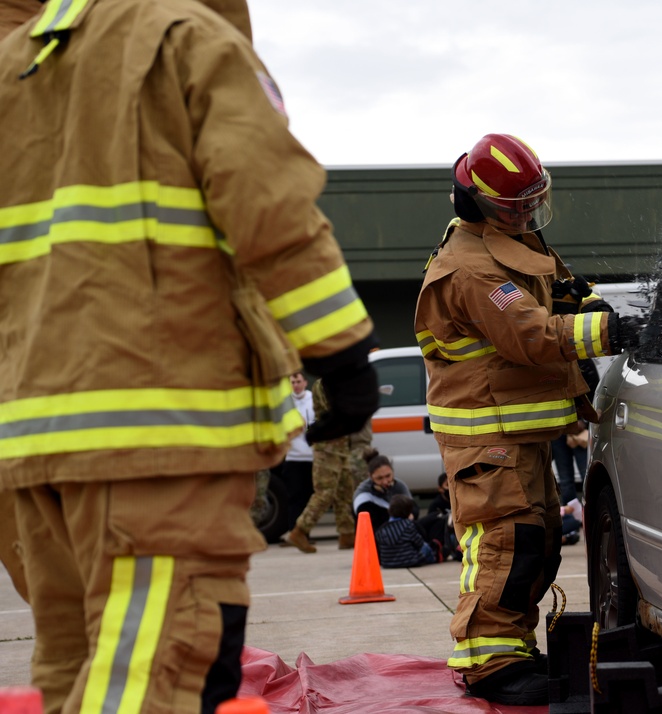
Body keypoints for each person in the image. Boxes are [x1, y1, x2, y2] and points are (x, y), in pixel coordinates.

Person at [0, 2, 380, 712]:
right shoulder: (188, 42)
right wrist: (343, 356)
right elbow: (273, 210)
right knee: (161, 670)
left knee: (70, 667)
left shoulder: (17, 62)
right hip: (157, 437)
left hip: (34, 446)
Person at [414, 133, 641, 705]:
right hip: (486, 438)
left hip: (519, 435)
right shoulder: (469, 270)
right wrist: (613, 330)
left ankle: (509, 647)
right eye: (515, 206)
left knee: (535, 545)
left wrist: (586, 303)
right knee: (505, 545)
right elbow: (532, 336)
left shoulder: (509, 241)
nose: (527, 214)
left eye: (532, 202)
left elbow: (556, 298)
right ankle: (487, 663)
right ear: (478, 201)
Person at [285, 379, 374, 553]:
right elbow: (334, 411)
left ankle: (347, 534)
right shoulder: (326, 382)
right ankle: (300, 531)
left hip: (340, 444)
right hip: (327, 445)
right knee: (325, 492)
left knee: (344, 490)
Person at [551, 357, 599, 505]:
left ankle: (581, 515)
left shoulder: (581, 361)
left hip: (571, 428)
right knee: (568, 478)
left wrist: (583, 422)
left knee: (583, 475)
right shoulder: (580, 361)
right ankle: (574, 517)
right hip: (561, 428)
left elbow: (594, 392)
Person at [281, 372, 316, 532]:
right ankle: (293, 531)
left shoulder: (313, 399)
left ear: (305, 382)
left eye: (298, 381)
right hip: (293, 456)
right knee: (294, 497)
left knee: (309, 497)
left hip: (311, 456)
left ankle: (304, 533)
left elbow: (313, 426)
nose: (295, 385)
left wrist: (303, 426)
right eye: (292, 382)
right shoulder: (286, 402)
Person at [353, 452, 416, 532]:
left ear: (393, 472)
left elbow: (413, 509)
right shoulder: (363, 495)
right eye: (379, 478)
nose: (385, 482)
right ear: (370, 477)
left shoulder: (399, 485)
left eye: (388, 476)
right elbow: (368, 523)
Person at [374, 494, 440, 568]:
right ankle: (434, 559)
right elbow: (419, 543)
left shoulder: (382, 529)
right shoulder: (408, 525)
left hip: (387, 563)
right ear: (409, 512)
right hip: (410, 561)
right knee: (425, 547)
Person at [417, 473, 461, 561]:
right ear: (440, 489)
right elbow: (430, 523)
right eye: (447, 485)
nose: (450, 488)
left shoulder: (459, 500)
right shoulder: (436, 504)